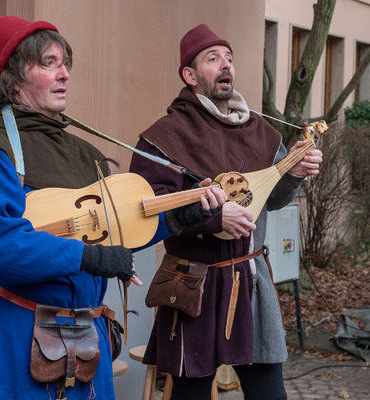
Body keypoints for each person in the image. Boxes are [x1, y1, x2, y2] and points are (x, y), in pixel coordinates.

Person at [0, 16, 227, 400]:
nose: (64, 74)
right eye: (48, 63)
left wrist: (180, 217)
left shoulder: (83, 153)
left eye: (65, 64)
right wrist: (88, 257)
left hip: (85, 339)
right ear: (13, 80)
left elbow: (116, 228)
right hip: (18, 335)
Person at [129, 24, 323, 400]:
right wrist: (216, 219)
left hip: (251, 280)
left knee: (270, 393)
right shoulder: (165, 136)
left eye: (229, 58)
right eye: (212, 58)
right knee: (192, 394)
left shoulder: (261, 132)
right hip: (194, 284)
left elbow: (274, 198)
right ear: (190, 75)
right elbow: (148, 210)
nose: (225, 66)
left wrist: (294, 172)